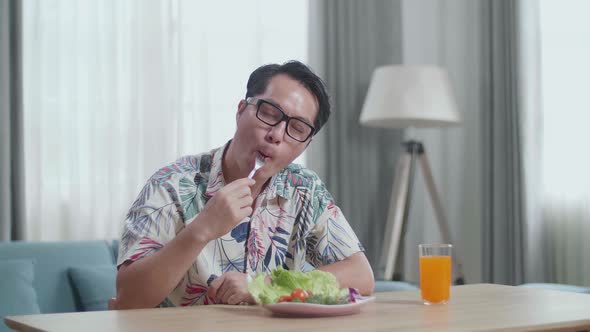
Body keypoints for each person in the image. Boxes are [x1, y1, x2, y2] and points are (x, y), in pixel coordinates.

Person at [115, 60, 374, 309]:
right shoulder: (171, 183)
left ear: (305, 145)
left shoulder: (304, 188)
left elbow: (361, 274)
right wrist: (201, 230)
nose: (276, 134)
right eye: (269, 113)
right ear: (240, 110)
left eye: (296, 128)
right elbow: (129, 299)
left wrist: (264, 285)